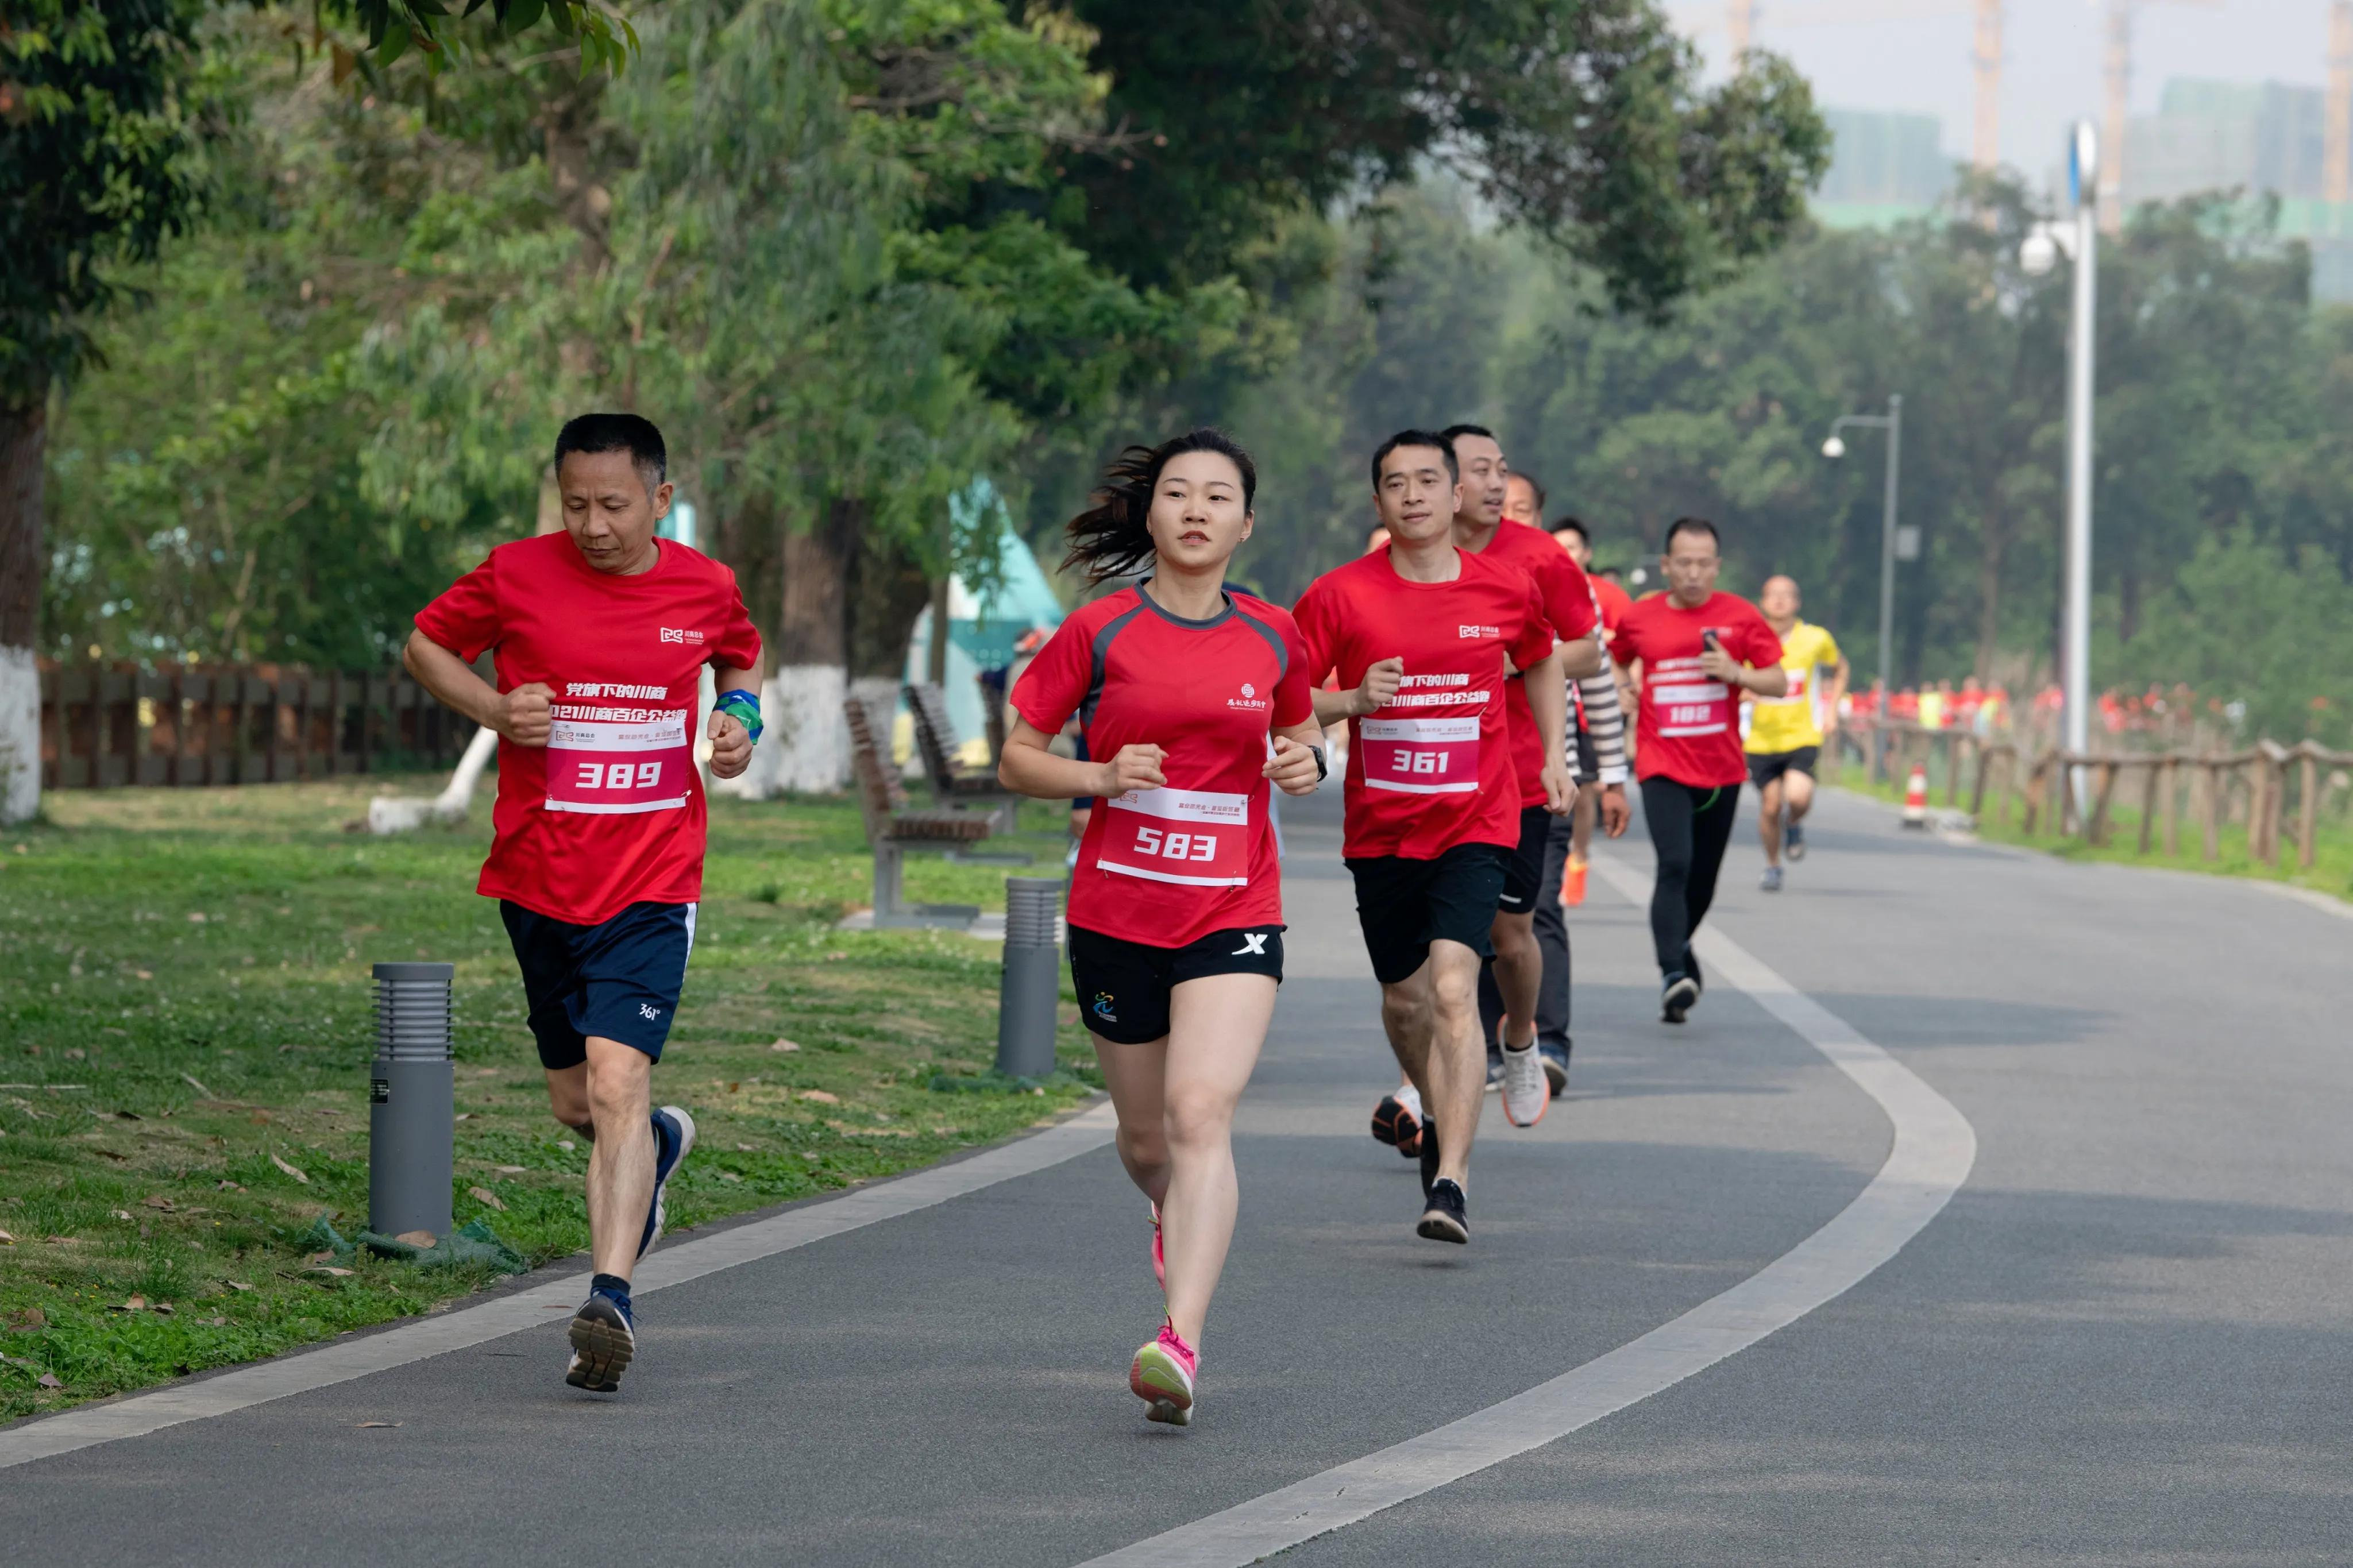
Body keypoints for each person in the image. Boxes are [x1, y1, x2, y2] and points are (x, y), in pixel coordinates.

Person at [404, 413, 761, 1393]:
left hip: (652, 877)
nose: (594, 524)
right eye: (575, 504)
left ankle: (610, 1298)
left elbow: (741, 658)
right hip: (538, 877)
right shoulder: (518, 573)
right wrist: (490, 708)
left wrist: (740, 720)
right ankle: (656, 1151)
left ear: (660, 496)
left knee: (615, 1083)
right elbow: (426, 644)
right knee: (581, 1103)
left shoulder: (706, 585)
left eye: (612, 504)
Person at [997, 430, 1321, 1428]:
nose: (1194, 509)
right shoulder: (1097, 630)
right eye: (1176, 493)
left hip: (1233, 910)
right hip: (1116, 915)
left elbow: (1301, 732)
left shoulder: (1273, 635)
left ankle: (1178, 1339)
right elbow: (1017, 757)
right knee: (1148, 1143)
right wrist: (1098, 776)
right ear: (1151, 516)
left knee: (1198, 1116)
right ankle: (1169, 1212)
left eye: (1217, 496)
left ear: (1244, 523)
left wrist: (1307, 764)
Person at [1294, 430, 1574, 1246]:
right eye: (1394, 483)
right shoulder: (1339, 596)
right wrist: (1351, 703)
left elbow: (1544, 658)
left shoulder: (1506, 585)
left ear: (1457, 495)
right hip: (1381, 829)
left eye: (1427, 480)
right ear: (1377, 503)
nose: (1412, 494)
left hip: (1476, 820)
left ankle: (1451, 1178)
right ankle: (1437, 1097)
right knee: (1406, 1001)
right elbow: (1289, 699)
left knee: (1456, 988)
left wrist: (1554, 756)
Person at [1442, 442, 1611, 1110]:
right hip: (1429, 784)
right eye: (1479, 471)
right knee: (1437, 944)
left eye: (1500, 471)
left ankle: (1526, 1040)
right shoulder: (1403, 560)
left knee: (1517, 931)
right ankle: (1425, 1083)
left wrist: (1512, 661)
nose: (1495, 483)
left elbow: (1588, 650)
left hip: (1517, 776)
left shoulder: (1540, 558)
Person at [1609, 517, 1784, 1023]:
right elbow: (1616, 658)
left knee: (1703, 882)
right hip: (1662, 766)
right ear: (1666, 565)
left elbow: (1777, 681)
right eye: (1682, 563)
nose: (1692, 573)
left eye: (1703, 563)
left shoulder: (1741, 616)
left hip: (1723, 771)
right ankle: (1671, 972)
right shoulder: (1641, 618)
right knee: (1676, 864)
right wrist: (1625, 687)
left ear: (1717, 566)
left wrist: (1736, 673)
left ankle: (1681, 955)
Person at [1550, 517, 1635, 910]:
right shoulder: (1541, 589)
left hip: (1595, 709)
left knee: (1585, 792)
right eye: (1559, 547)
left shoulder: (1611, 597)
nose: (1567, 554)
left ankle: (1579, 858)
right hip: (1558, 709)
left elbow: (1628, 653)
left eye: (1573, 547)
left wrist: (1626, 691)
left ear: (1587, 553)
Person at [1744, 574, 1847, 891]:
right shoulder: (1749, 638)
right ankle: (1773, 865)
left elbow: (1841, 667)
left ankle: (1794, 822)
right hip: (1761, 738)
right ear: (1762, 601)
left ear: (1797, 602)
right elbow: (1732, 679)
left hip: (1802, 734)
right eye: (1772, 595)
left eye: (1786, 595)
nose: (1779, 601)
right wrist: (1746, 693)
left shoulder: (1816, 638)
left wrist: (1831, 710)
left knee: (1798, 797)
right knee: (1771, 805)